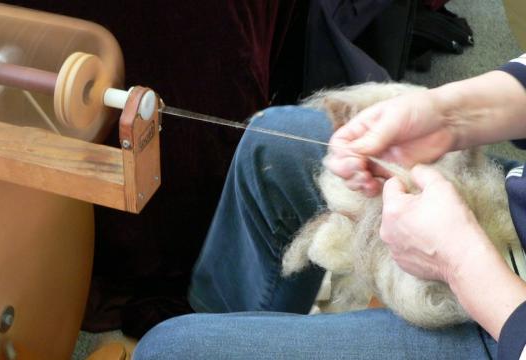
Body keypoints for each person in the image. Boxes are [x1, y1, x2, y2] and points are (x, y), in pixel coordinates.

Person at [132, 56, 526, 359]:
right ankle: (221, 321)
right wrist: (448, 116)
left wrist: (461, 263)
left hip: (508, 328)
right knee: (271, 148)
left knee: (168, 351)